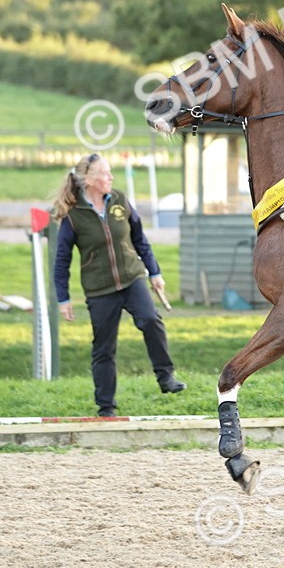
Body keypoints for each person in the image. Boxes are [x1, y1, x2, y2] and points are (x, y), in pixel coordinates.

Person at [53, 153, 186, 417]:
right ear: (89, 179)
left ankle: (165, 376)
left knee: (150, 320)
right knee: (104, 348)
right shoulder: (72, 216)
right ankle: (106, 406)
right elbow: (61, 261)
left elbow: (140, 238)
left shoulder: (120, 200)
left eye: (110, 172)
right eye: (104, 173)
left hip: (131, 277)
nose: (110, 177)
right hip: (99, 290)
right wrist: (63, 299)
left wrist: (154, 272)